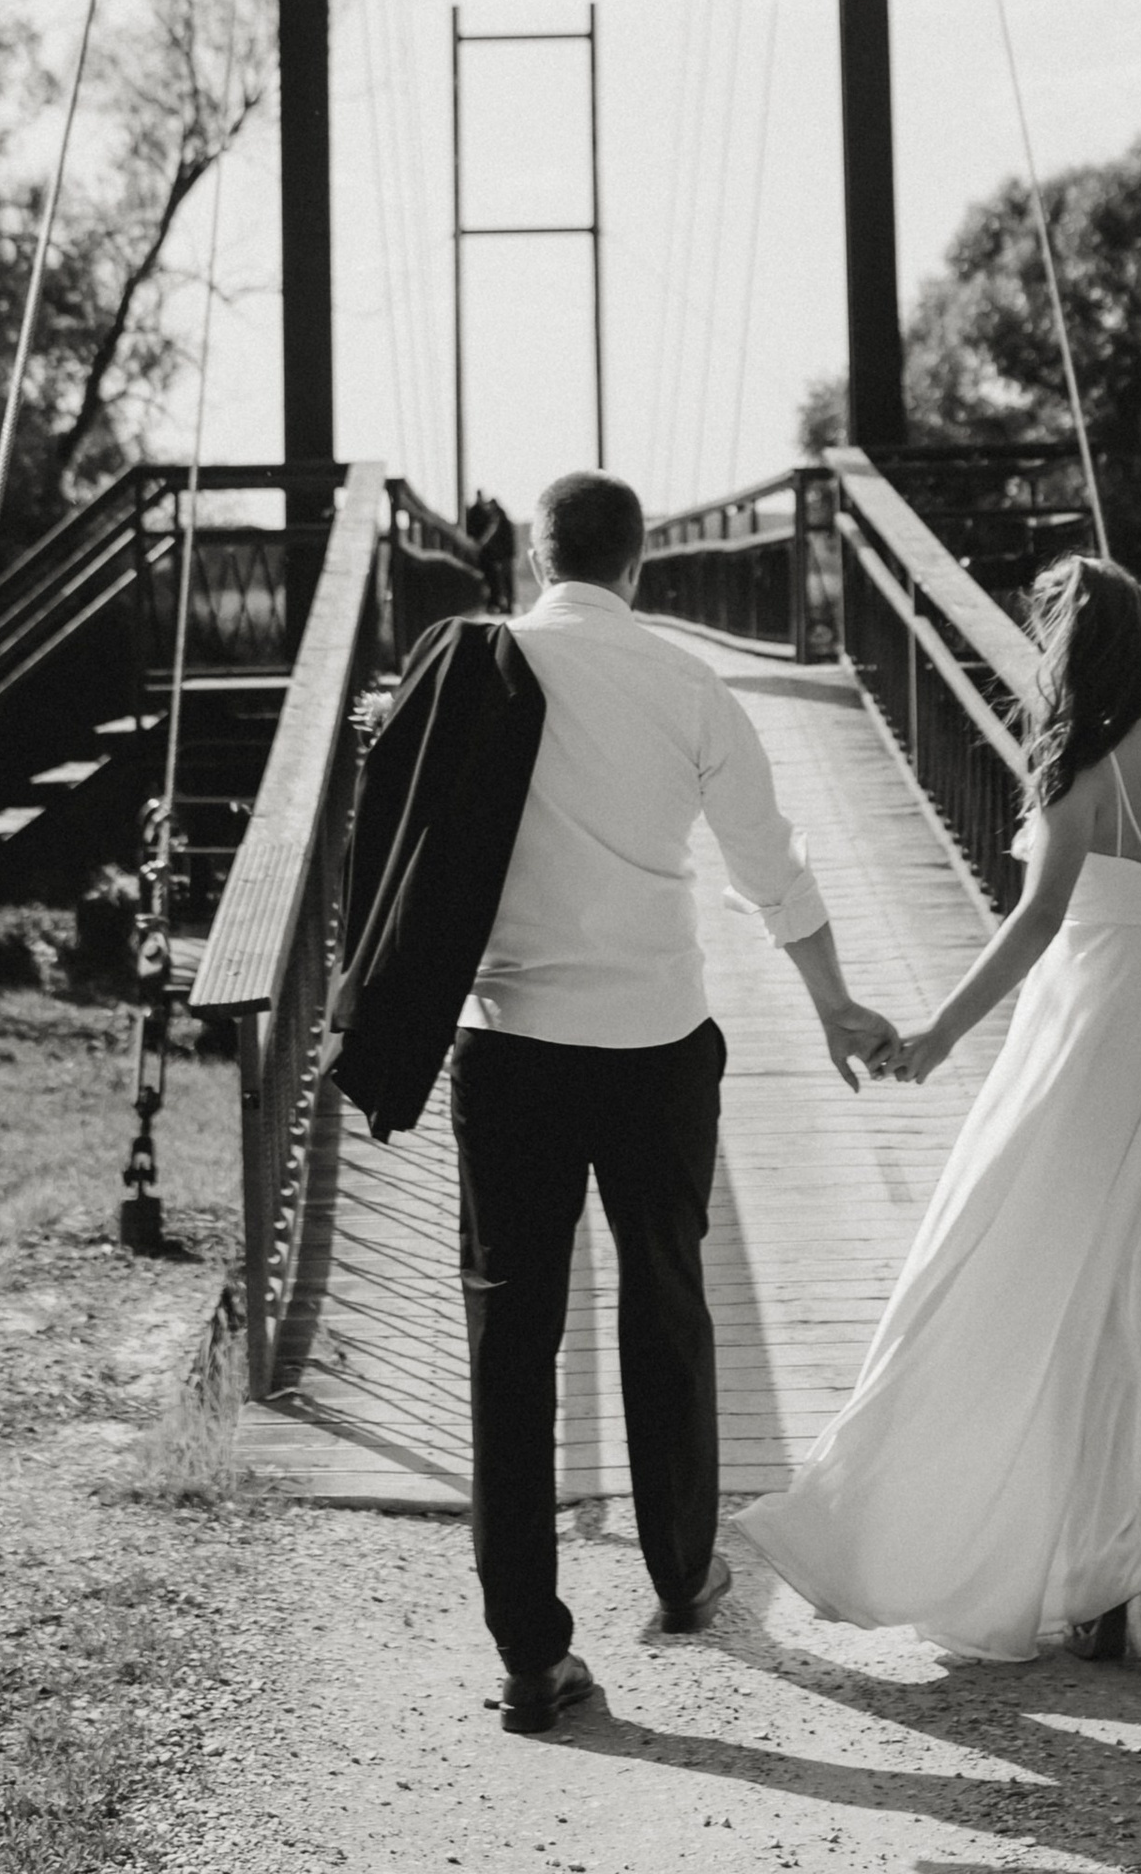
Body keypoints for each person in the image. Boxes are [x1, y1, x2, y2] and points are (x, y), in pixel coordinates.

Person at [738, 552, 1141, 1665]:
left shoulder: (1080, 766)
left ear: (1063, 651)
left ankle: (1096, 1563)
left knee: (1035, 1265)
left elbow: (1038, 922)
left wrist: (939, 1036)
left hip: (1096, 1022)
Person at [450, 464, 901, 1734]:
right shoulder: (686, 683)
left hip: (510, 1046)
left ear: (534, 557)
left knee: (509, 1344)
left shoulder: (478, 670)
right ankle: (683, 1574)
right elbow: (770, 865)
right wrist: (832, 1004)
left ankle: (529, 1654)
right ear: (639, 564)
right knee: (665, 1305)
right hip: (654, 1047)